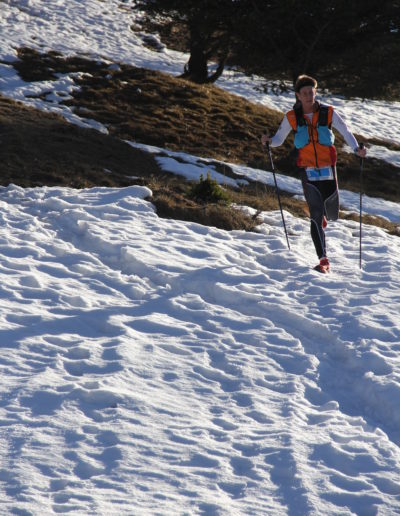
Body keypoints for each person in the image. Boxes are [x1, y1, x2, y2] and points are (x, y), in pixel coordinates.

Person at [261, 74, 367, 273]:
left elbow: (345, 131)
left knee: (332, 213)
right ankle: (323, 259)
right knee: (316, 214)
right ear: (298, 96)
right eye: (305, 93)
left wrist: (357, 149)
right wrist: (269, 141)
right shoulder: (291, 117)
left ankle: (321, 216)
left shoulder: (328, 113)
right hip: (307, 170)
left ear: (315, 92)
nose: (309, 96)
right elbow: (278, 140)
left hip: (328, 169)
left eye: (311, 92)